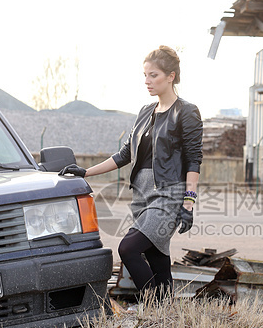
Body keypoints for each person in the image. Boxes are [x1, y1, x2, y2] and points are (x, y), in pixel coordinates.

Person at [60, 45, 203, 302]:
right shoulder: (145, 112)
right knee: (157, 259)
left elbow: (194, 160)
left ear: (171, 76)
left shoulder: (186, 112)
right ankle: (166, 315)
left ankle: (151, 304)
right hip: (142, 195)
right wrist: (86, 172)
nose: (147, 81)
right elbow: (125, 154)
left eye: (154, 75)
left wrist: (189, 203)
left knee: (129, 248)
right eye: (145, 75)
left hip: (168, 195)